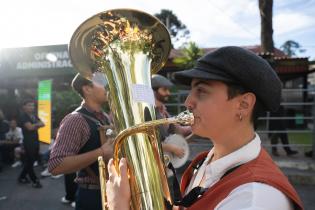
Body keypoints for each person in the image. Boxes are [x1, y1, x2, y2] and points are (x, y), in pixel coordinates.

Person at [105, 46, 304, 210]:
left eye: (201, 91)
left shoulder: (254, 200)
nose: (188, 102)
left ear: (243, 105)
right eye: (191, 91)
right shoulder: (206, 162)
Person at [48, 73, 114, 210]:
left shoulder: (105, 117)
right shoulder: (75, 119)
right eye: (102, 82)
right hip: (92, 197)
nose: (109, 86)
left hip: (110, 191)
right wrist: (101, 152)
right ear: (87, 89)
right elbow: (55, 165)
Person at [151, 74, 192, 161]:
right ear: (153, 91)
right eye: (164, 90)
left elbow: (179, 130)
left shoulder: (163, 111)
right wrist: (171, 148)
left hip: (166, 162)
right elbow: (146, 142)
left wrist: (196, 127)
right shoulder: (148, 113)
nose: (168, 93)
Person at [18, 99, 45, 188]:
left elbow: (43, 124)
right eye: (29, 105)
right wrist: (37, 125)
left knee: (31, 160)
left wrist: (34, 125)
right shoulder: (23, 116)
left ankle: (22, 177)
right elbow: (29, 128)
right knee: (30, 161)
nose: (31, 107)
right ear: (24, 107)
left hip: (35, 141)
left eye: (32, 105)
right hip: (28, 142)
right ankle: (35, 181)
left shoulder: (33, 115)